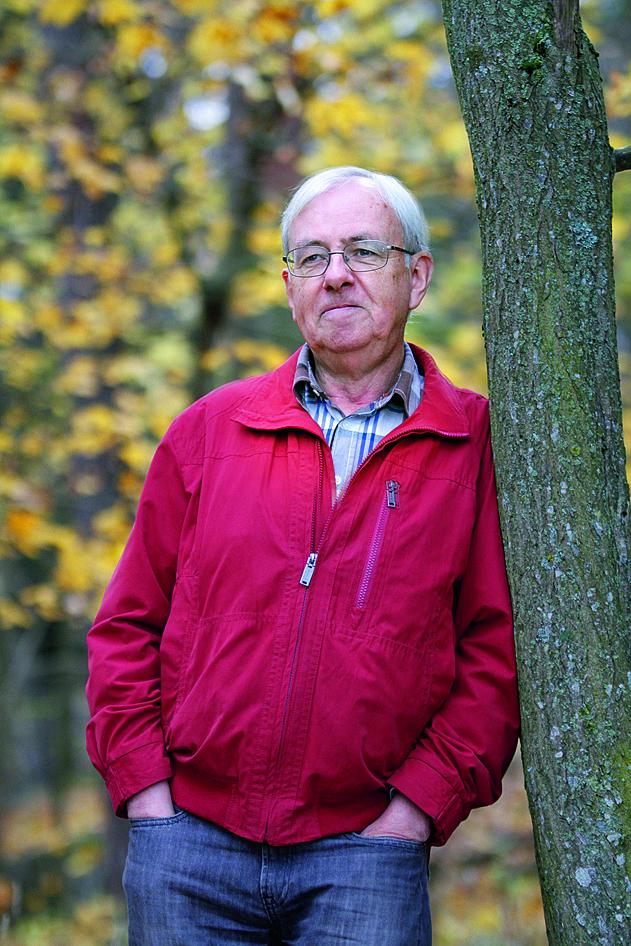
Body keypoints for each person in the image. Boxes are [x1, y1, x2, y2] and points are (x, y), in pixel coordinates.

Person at [86, 165, 520, 946]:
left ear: (416, 277)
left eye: (363, 250)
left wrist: (414, 811)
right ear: (290, 287)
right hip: (187, 845)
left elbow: (497, 653)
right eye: (312, 257)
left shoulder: (475, 445)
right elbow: (126, 627)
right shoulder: (210, 430)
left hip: (365, 855)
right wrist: (146, 793)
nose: (336, 275)